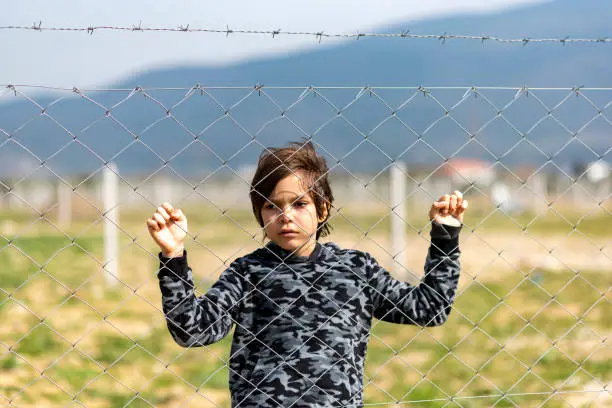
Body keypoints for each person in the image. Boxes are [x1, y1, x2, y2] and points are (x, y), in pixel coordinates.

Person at [147, 140, 468, 408]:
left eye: (299, 204)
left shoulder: (356, 270)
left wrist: (445, 239)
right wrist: (173, 256)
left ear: (323, 208)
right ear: (260, 213)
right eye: (272, 206)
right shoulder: (248, 272)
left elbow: (430, 309)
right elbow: (191, 330)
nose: (285, 216)